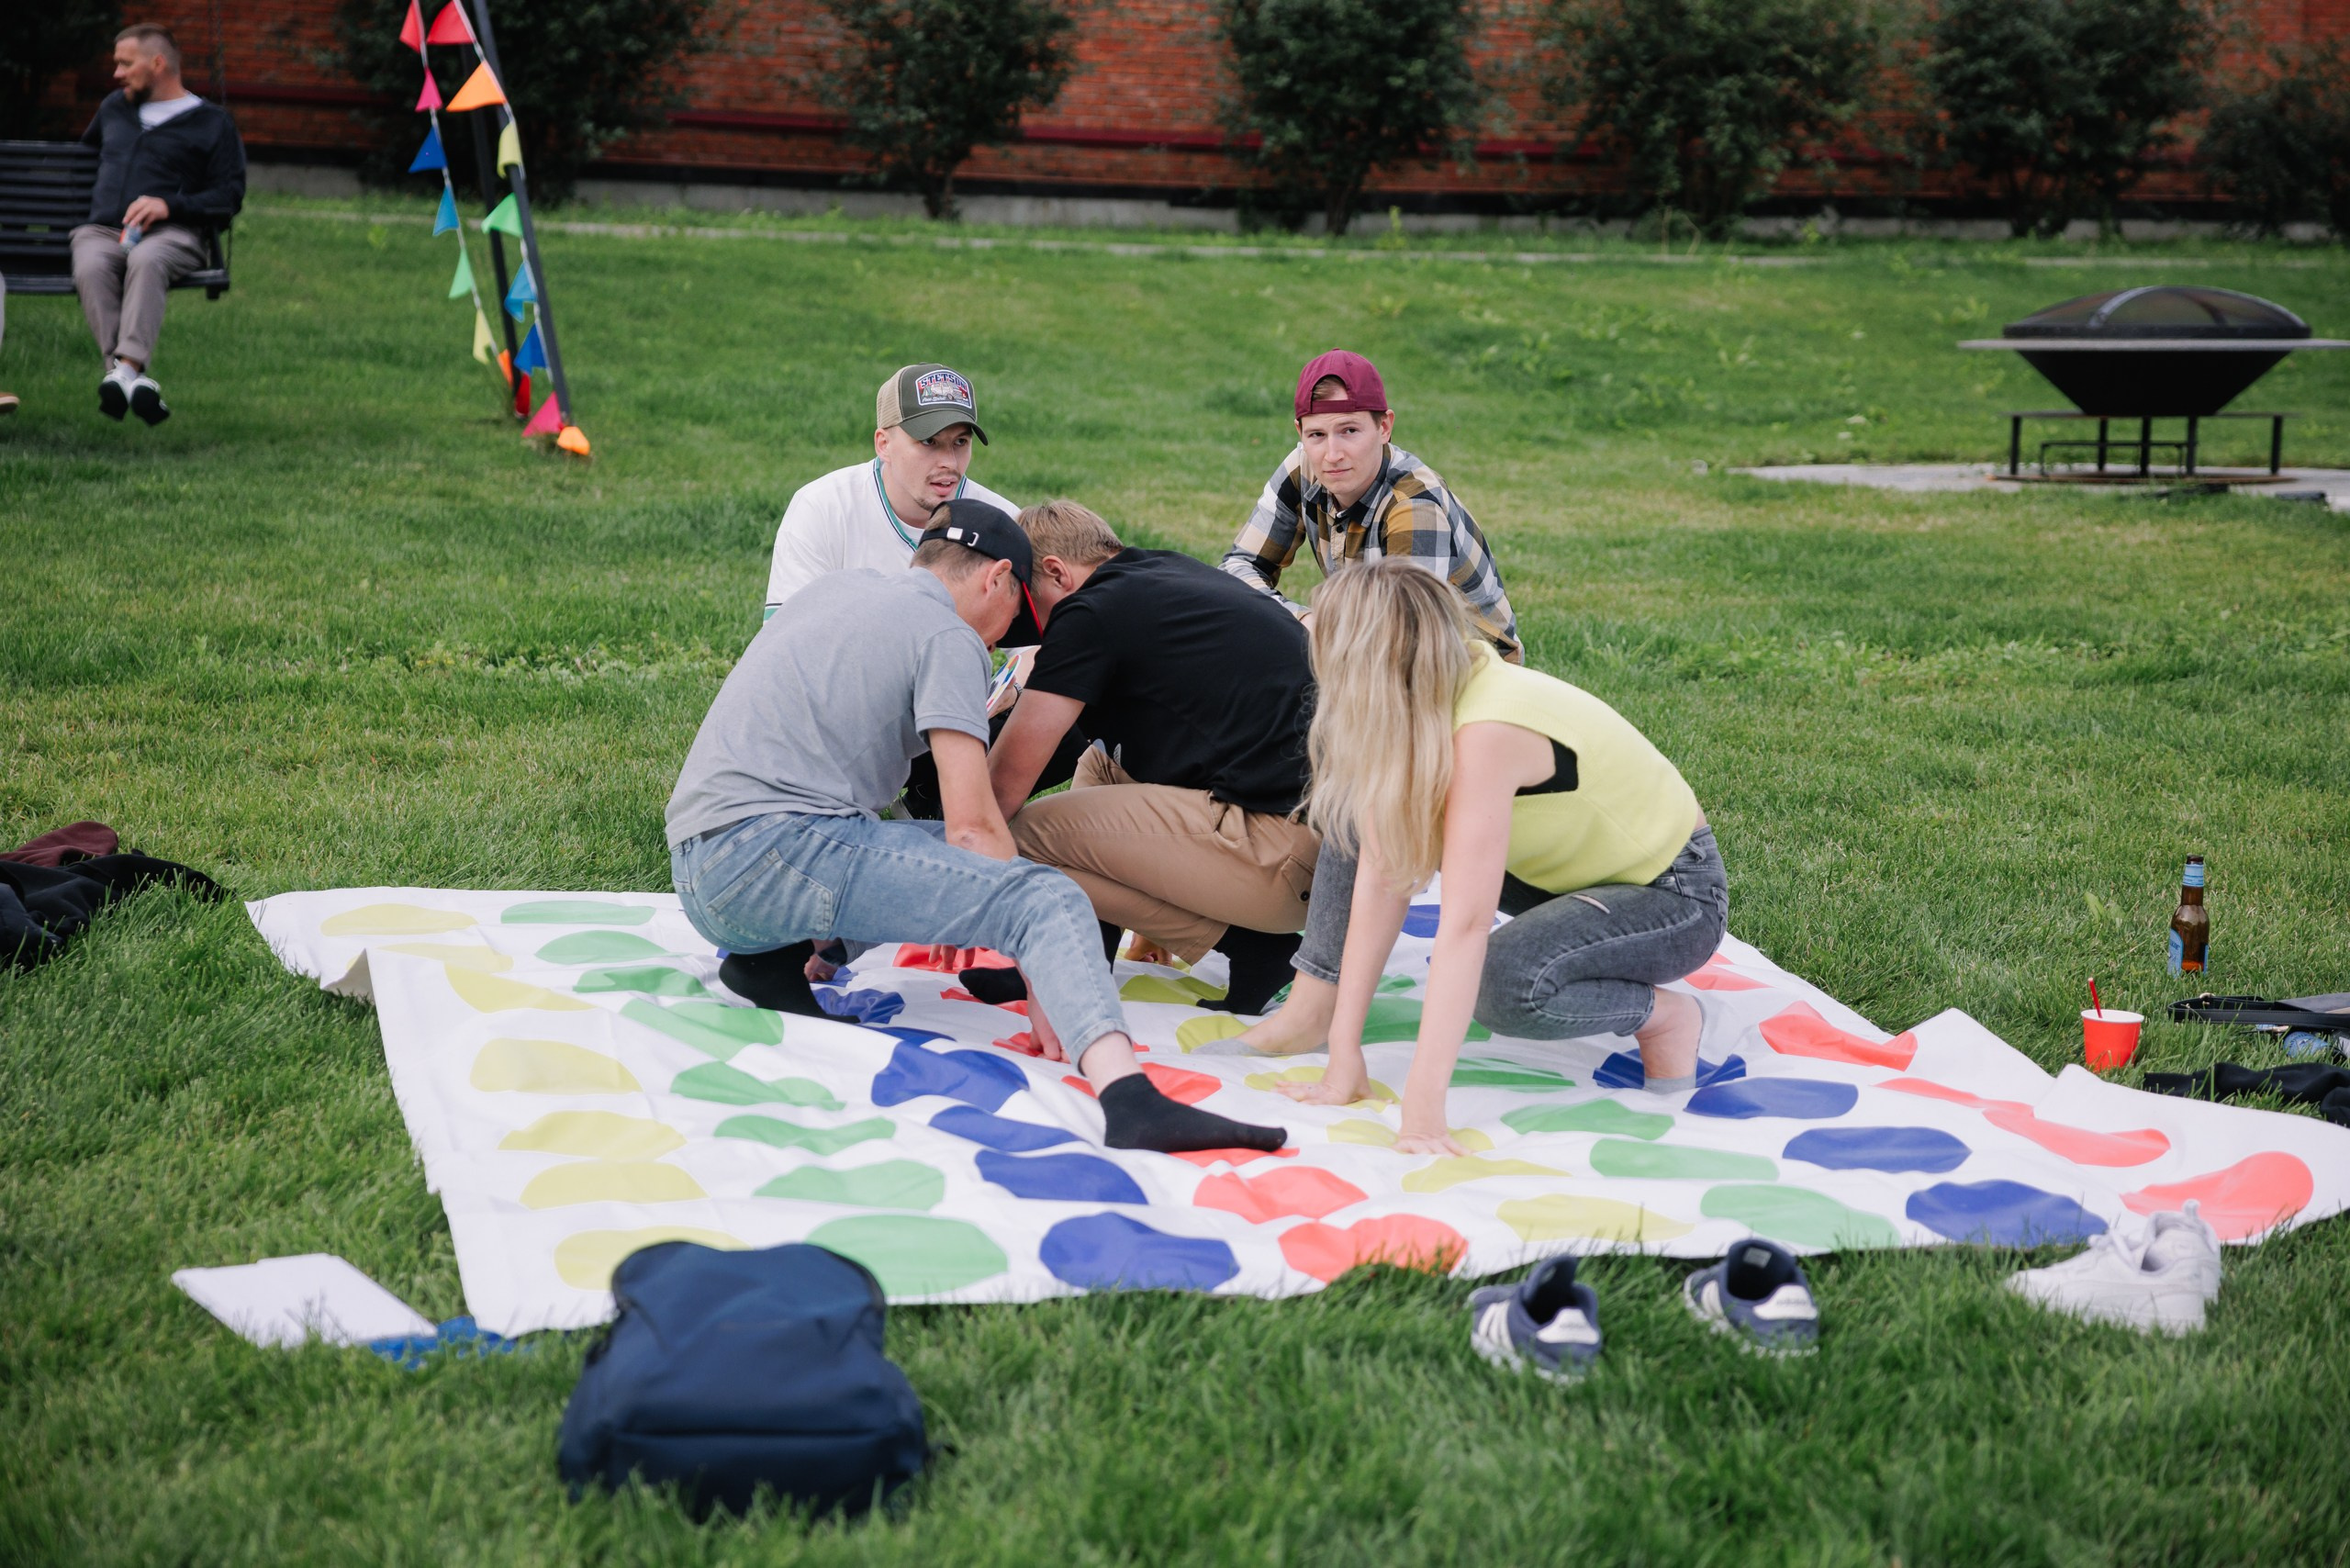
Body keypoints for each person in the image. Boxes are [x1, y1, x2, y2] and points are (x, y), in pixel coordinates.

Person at [666, 497, 1285, 1156]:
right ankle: (1130, 1098)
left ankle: (774, 963)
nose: (1003, 642)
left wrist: (949, 894)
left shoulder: (836, 591)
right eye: (1014, 621)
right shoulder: (949, 637)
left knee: (897, 847)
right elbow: (972, 828)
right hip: (775, 857)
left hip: (701, 865)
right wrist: (1024, 946)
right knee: (1045, 891)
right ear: (997, 578)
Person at [1238, 559, 1726, 1155]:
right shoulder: (1423, 691)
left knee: (1503, 985)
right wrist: (1345, 1059)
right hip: (1558, 878)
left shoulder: (1487, 731)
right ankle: (1315, 1016)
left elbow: (1465, 926)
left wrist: (1422, 1114)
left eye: (1319, 626)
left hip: (1673, 896)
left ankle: (1665, 1016)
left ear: (1360, 660)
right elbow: (1380, 880)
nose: (1307, 630)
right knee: (1362, 819)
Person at [970, 500, 1318, 1016]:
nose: (1029, 624)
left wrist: (944, 881)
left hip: (1282, 859)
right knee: (1101, 764)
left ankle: (1256, 952)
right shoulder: (1161, 573)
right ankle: (1083, 957)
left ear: (1057, 573)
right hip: (1322, 851)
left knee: (1021, 836)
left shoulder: (1088, 613)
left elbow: (998, 792)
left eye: (1027, 602)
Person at [1222, 349, 1522, 662]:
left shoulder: (1414, 504)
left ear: (1384, 428)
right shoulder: (1303, 469)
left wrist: (1317, 634)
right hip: (1373, 648)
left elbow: (1407, 639)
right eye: (1317, 435)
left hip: (1469, 664)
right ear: (1300, 432)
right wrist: (1304, 620)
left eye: (1349, 431)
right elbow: (1237, 569)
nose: (1332, 454)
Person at [71, 24, 246, 426]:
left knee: (147, 260)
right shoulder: (114, 109)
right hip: (103, 231)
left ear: (158, 63)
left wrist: (170, 205)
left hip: (174, 234)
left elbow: (228, 197)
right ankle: (129, 377)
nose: (117, 73)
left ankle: (123, 371)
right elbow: (82, 165)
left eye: (125, 64)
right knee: (91, 263)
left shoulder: (212, 123)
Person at [763, 363, 1018, 620]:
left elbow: (1030, 640)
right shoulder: (823, 508)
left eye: (960, 442)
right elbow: (786, 634)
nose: (950, 463)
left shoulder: (1004, 524)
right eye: (929, 441)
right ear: (884, 444)